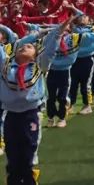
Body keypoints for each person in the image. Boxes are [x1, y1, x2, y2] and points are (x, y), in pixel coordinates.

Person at [0, 20, 66, 185]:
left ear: (36, 55)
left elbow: (50, 49)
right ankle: (13, 180)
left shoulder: (38, 65)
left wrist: (59, 31)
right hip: (11, 115)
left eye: (29, 47)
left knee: (29, 151)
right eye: (22, 46)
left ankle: (30, 180)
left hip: (31, 115)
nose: (24, 47)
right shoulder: (5, 64)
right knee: (12, 152)